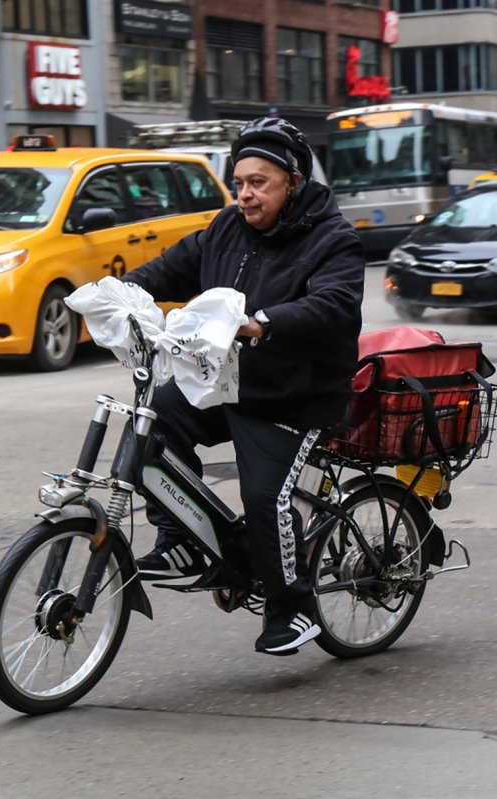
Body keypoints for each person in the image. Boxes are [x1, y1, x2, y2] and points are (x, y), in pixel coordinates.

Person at [119, 117, 365, 656]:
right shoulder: (226, 228)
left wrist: (264, 323)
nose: (246, 195)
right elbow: (167, 268)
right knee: (151, 423)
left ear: (293, 182)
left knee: (263, 496)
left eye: (259, 183)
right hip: (227, 384)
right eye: (240, 183)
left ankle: (292, 609)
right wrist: (119, 293)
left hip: (296, 395)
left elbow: (334, 305)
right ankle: (180, 538)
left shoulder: (334, 239)